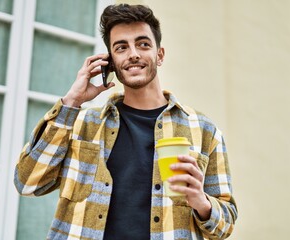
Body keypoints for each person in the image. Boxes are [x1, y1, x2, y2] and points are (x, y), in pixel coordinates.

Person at [14, 3, 237, 240]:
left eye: (143, 44)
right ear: (110, 61)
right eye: (121, 47)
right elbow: (28, 182)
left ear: (159, 55)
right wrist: (71, 102)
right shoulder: (83, 124)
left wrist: (201, 202)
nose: (133, 53)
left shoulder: (204, 131)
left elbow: (226, 224)